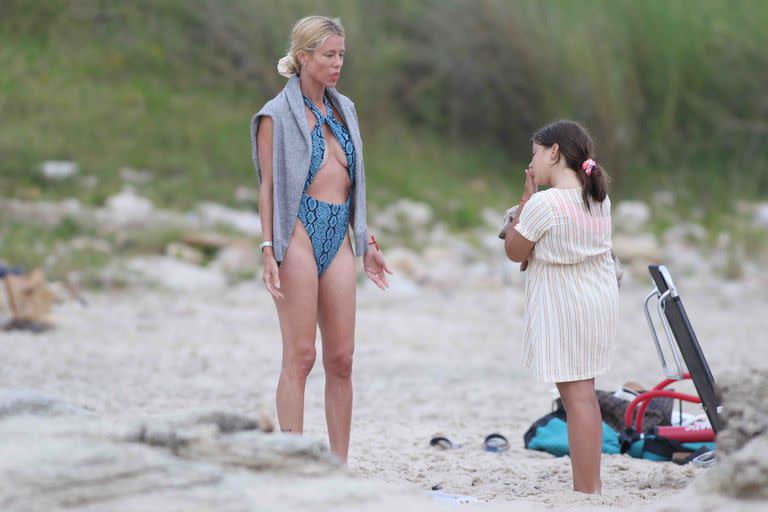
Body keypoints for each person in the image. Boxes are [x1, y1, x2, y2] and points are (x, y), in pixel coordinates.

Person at [250, 16, 392, 464]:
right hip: (298, 232)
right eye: (329, 55)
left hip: (340, 234)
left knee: (342, 359)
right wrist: (268, 249)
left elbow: (354, 182)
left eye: (342, 55)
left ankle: (338, 465)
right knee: (301, 354)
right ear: (304, 56)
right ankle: (293, 459)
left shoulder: (344, 109)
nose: (337, 64)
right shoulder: (274, 115)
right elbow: (268, 187)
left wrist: (365, 236)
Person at [502, 120, 618, 494]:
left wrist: (524, 201)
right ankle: (591, 484)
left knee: (576, 396)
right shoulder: (598, 198)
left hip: (565, 304)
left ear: (554, 152)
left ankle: (587, 490)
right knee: (586, 392)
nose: (532, 162)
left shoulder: (544, 203)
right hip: (597, 299)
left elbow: (514, 250)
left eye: (535, 153)